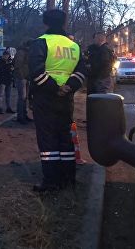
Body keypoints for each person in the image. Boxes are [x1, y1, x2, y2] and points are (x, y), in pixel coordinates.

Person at [28, 10, 88, 192]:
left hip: (45, 97)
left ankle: (51, 181)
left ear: (45, 23)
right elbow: (82, 72)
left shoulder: (41, 42)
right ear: (63, 23)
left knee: (48, 140)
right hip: (66, 99)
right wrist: (68, 87)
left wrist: (55, 88)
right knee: (65, 138)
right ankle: (68, 178)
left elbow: (36, 72)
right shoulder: (74, 46)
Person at [13, 41, 32, 124]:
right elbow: (17, 65)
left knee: (25, 98)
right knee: (22, 98)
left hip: (26, 77)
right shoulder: (21, 52)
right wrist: (22, 76)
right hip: (22, 78)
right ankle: (21, 117)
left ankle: (24, 115)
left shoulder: (25, 52)